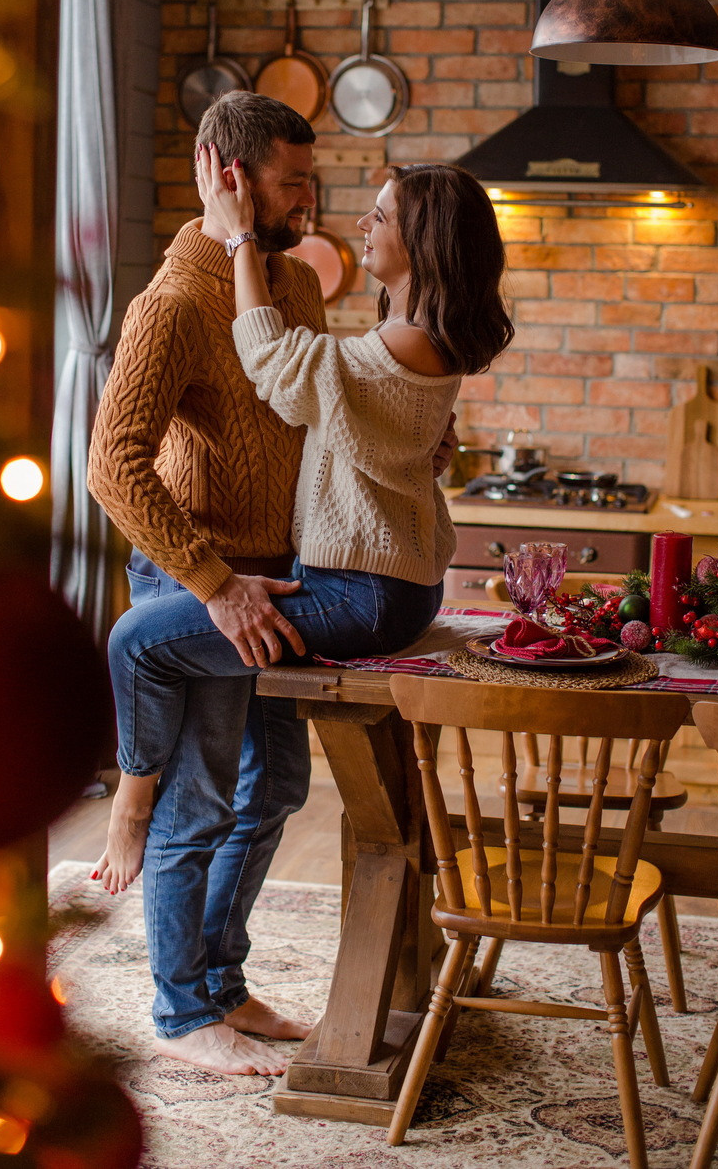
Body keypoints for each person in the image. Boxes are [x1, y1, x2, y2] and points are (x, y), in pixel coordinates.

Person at [90, 126, 513, 1074]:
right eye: (293, 185)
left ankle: (223, 986)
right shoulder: (171, 303)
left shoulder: (293, 285)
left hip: (287, 576)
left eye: (321, 186)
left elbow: (327, 410)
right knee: (193, 802)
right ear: (234, 180)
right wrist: (212, 584)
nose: (316, 207)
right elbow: (112, 469)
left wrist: (409, 449)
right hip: (207, 579)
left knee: (273, 789)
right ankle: (178, 998)